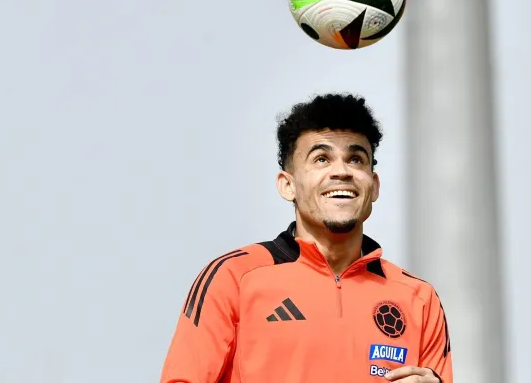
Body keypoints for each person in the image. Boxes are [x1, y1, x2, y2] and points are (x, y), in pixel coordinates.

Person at [159, 93, 453, 382]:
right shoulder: (234, 277)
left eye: (356, 159)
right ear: (288, 185)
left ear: (374, 186)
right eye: (322, 159)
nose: (342, 171)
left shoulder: (418, 298)